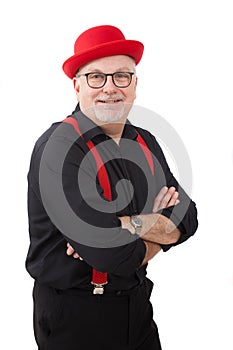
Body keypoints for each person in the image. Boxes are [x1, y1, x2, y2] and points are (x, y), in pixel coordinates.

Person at [26, 25, 198, 350]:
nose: (109, 87)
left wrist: (124, 226)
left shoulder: (145, 141)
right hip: (76, 318)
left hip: (138, 307)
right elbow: (111, 255)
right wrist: (152, 226)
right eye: (96, 77)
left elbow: (187, 218)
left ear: (135, 85)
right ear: (77, 86)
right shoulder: (59, 148)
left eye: (121, 76)